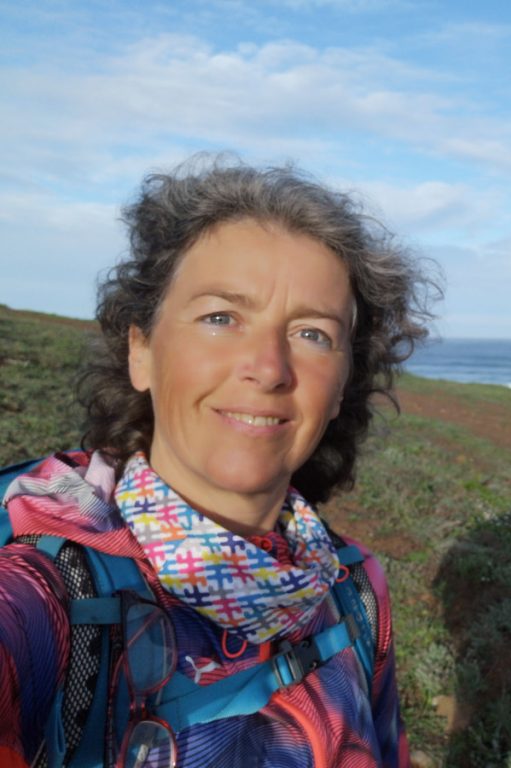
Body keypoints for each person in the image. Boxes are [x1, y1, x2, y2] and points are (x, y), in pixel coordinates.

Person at [0, 156, 434, 767]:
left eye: (312, 334)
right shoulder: (41, 583)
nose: (268, 367)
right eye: (220, 318)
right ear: (142, 351)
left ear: (341, 386)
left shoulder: (354, 586)